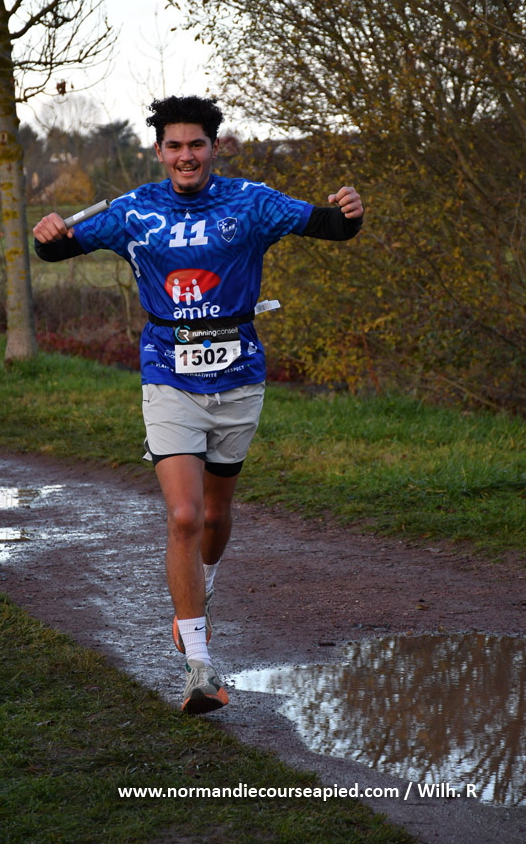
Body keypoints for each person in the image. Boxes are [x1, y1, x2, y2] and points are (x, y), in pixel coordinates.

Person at [32, 95, 364, 715]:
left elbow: (330, 225)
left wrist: (349, 212)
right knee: (183, 516)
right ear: (159, 151)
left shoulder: (251, 202)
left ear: (213, 147)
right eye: (174, 146)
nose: (186, 155)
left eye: (196, 144)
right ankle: (200, 669)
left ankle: (201, 588)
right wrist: (49, 234)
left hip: (239, 379)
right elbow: (56, 249)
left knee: (214, 516)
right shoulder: (134, 210)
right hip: (168, 377)